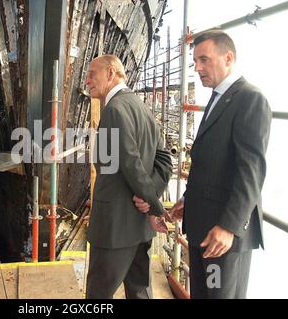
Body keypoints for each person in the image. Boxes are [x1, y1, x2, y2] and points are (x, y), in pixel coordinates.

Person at [165, 30, 272, 298]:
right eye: (195, 62)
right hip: (203, 228)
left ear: (228, 57)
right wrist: (188, 199)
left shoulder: (250, 98)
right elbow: (208, 162)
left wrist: (229, 227)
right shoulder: (217, 97)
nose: (198, 68)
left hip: (222, 238)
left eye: (204, 60)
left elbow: (251, 170)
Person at [85, 55, 172, 299]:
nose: (87, 80)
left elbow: (129, 162)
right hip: (139, 227)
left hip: (115, 227)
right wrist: (149, 198)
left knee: (97, 296)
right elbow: (164, 159)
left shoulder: (114, 109)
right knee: (140, 292)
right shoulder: (142, 107)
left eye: (93, 73)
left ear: (111, 74)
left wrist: (153, 205)